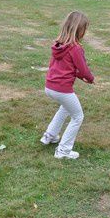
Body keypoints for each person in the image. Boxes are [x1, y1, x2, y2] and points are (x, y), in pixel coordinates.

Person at [40, 11, 95, 159]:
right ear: (79, 30)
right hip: (62, 89)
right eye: (85, 29)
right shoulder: (75, 48)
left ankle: (49, 136)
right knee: (78, 116)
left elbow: (65, 68)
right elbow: (83, 69)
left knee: (65, 108)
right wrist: (90, 78)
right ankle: (63, 150)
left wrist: (79, 76)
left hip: (50, 86)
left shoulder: (58, 45)